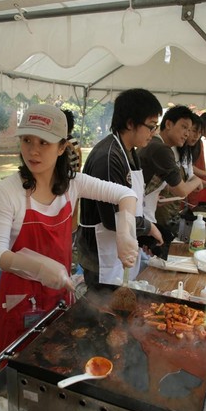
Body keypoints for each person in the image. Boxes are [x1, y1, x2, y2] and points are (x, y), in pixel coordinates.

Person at [0, 104, 139, 352]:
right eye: (27, 140)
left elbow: (126, 194)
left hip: (59, 292)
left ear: (61, 147)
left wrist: (124, 232)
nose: (33, 151)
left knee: (60, 353)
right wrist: (38, 266)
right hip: (22, 298)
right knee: (21, 361)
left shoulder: (73, 184)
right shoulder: (9, 191)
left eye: (44, 142)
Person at [76, 88, 164, 290]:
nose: (154, 133)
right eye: (150, 127)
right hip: (100, 252)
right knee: (101, 309)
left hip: (118, 246)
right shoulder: (108, 157)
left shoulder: (129, 152)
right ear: (130, 123)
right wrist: (148, 227)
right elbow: (112, 219)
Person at [137, 105, 203, 228]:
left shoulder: (156, 144)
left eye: (189, 130)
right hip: (141, 219)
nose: (186, 134)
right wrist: (198, 179)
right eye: (184, 127)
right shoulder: (161, 149)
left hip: (143, 215)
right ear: (168, 124)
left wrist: (154, 196)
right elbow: (181, 190)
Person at [62, 109, 82, 242]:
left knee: (65, 220)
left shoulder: (66, 144)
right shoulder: (73, 141)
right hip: (73, 183)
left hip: (66, 185)